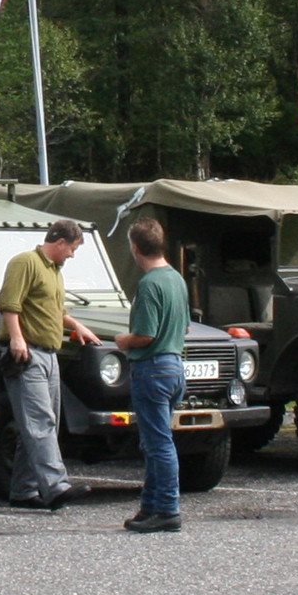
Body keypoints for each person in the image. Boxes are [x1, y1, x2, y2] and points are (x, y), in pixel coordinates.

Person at [0, 217, 101, 511]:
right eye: (72, 249)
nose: (72, 255)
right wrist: (17, 339)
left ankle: (23, 490)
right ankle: (56, 487)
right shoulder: (25, 262)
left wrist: (75, 325)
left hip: (50, 354)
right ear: (60, 242)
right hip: (28, 354)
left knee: (43, 424)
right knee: (39, 421)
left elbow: (54, 309)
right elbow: (9, 303)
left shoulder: (54, 271)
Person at [114, 218, 189, 534]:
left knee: (158, 444)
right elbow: (185, 327)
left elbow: (145, 334)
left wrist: (123, 340)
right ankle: (151, 506)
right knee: (154, 441)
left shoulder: (149, 284)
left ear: (135, 248)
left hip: (153, 369)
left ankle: (168, 509)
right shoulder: (176, 279)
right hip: (174, 366)